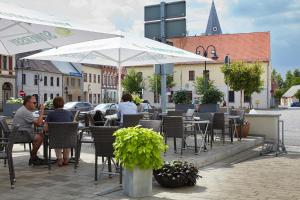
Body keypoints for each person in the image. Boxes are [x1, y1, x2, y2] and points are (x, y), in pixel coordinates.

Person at [13, 95, 44, 165]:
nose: (36, 104)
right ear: (27, 103)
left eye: (36, 103)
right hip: (20, 135)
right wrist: (42, 111)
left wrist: (38, 121)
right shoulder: (25, 112)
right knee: (40, 137)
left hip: (21, 133)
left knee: (37, 135)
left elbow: (36, 123)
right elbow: (38, 123)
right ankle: (33, 156)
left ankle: (34, 157)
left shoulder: (24, 109)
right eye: (34, 103)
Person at [44, 96, 73, 167]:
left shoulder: (51, 114)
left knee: (56, 137)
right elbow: (73, 126)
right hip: (68, 139)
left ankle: (59, 159)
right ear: (63, 104)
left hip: (56, 139)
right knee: (66, 138)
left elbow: (45, 128)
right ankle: (66, 158)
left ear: (53, 104)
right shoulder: (69, 113)